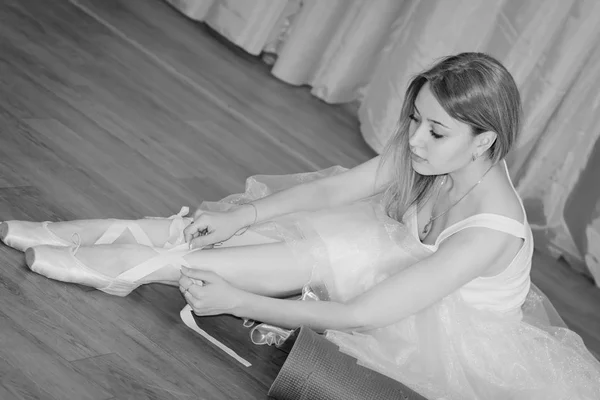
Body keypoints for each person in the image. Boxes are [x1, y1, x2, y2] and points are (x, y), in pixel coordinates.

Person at [1, 52, 599, 399]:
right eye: (415, 119)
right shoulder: (436, 154)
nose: (415, 139)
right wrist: (245, 212)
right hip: (398, 269)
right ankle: (131, 239)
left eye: (436, 131)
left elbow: (363, 315)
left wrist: (241, 302)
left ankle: (141, 263)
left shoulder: (488, 230)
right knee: (304, 234)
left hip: (444, 334)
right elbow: (345, 186)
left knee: (315, 252)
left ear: (484, 141)